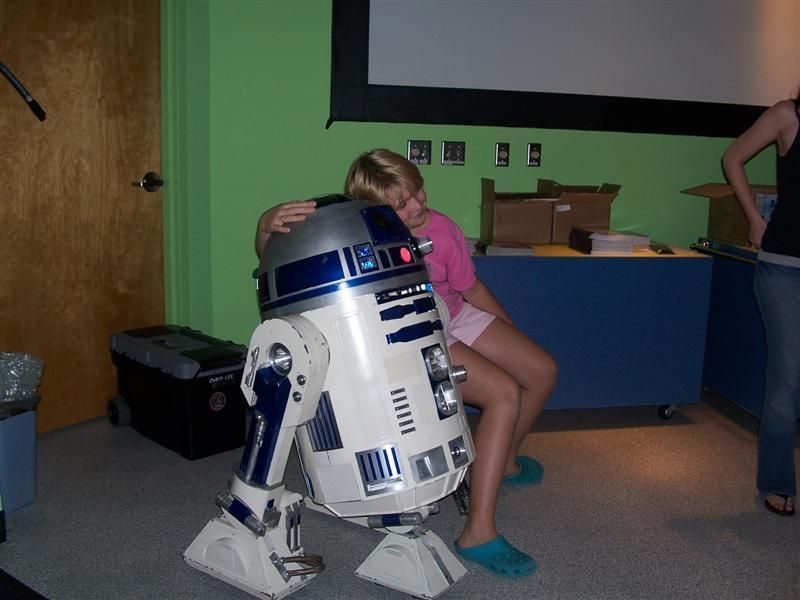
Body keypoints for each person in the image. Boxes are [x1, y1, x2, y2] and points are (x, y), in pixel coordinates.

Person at [344, 148, 557, 577]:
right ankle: (478, 532)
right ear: (376, 211)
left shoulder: (441, 228)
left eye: (417, 192)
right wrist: (265, 226)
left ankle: (504, 461)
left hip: (456, 313)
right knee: (503, 393)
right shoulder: (360, 239)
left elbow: (470, 288)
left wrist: (508, 329)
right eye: (401, 204)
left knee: (541, 370)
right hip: (417, 330)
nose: (417, 205)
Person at [722, 94, 800, 517]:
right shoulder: (788, 115)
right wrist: (754, 218)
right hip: (786, 268)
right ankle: (777, 481)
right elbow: (732, 157)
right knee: (787, 380)